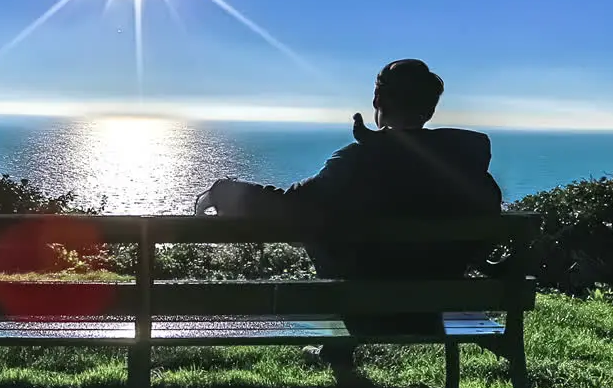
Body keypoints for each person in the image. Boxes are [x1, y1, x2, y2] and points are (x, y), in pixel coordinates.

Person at [193, 59, 503, 366]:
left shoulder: (356, 163)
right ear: (430, 108)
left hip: (363, 313)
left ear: (378, 101)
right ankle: (337, 349)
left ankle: (339, 345)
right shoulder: (470, 170)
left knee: (322, 227)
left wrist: (224, 190)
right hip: (434, 314)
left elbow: (289, 206)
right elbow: (485, 234)